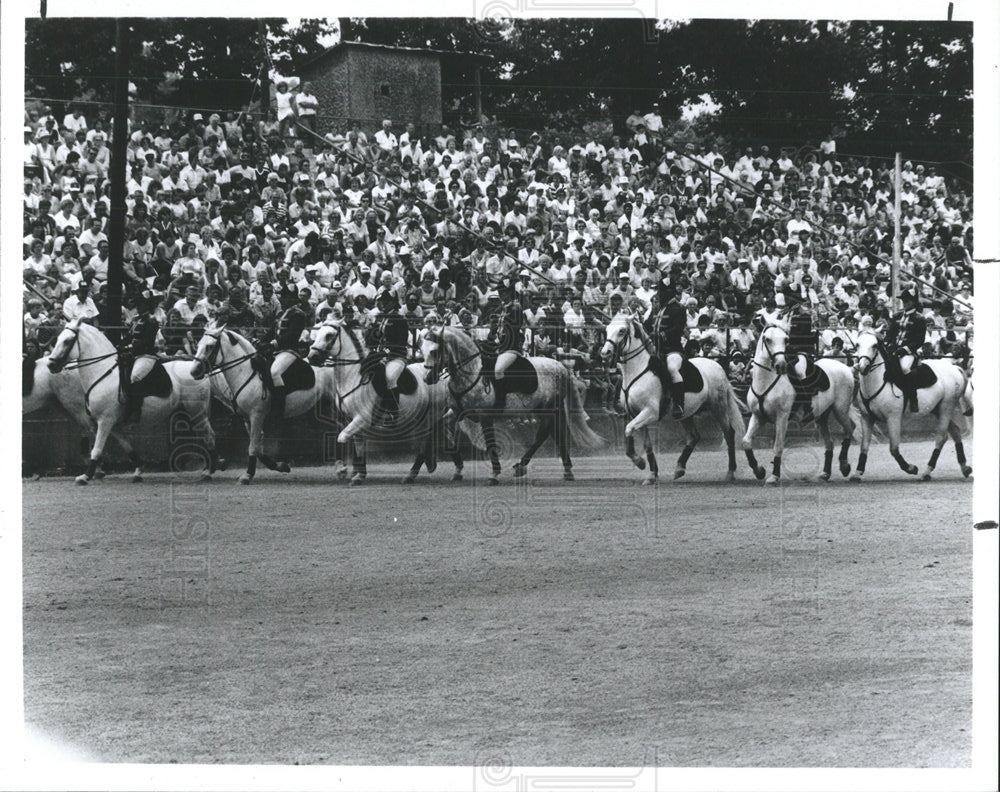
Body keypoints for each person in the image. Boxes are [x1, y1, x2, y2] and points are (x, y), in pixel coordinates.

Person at [370, 287, 410, 425]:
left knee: (390, 378)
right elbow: (374, 336)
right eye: (382, 301)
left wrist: (386, 353)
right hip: (379, 354)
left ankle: (393, 412)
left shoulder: (400, 319)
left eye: (386, 301)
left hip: (397, 356)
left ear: (393, 303)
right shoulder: (379, 317)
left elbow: (401, 342)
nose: (383, 304)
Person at [647, 281, 687, 418]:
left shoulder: (680, 308)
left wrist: (662, 335)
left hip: (673, 349)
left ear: (668, 293)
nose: (658, 295)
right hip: (656, 349)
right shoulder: (657, 308)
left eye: (661, 292)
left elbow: (678, 329)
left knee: (672, 369)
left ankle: (678, 404)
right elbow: (647, 325)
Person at [886, 289, 928, 412]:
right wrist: (887, 344)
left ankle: (913, 398)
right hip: (894, 349)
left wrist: (905, 349)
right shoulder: (897, 316)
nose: (904, 303)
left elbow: (919, 340)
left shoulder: (920, 319)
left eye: (907, 300)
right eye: (903, 300)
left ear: (913, 302)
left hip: (908, 352)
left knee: (905, 368)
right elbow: (890, 334)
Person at [123, 289, 161, 424]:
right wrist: (121, 345)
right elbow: (129, 336)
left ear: (147, 305)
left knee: (135, 376)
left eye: (142, 304)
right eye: (138, 304)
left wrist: (131, 347)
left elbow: (147, 341)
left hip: (146, 355)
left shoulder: (151, 321)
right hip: (134, 354)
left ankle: (135, 410)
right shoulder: (135, 320)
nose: (139, 307)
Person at [488, 283, 526, 412]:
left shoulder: (515, 307)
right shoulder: (503, 308)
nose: (501, 295)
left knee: (498, 370)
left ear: (509, 293)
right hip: (500, 347)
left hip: (511, 347)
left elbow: (515, 328)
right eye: (499, 293)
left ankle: (501, 401)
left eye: (504, 292)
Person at [268, 301, 309, 421]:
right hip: (276, 351)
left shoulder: (298, 314)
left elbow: (293, 334)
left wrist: (275, 344)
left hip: (289, 351)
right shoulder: (281, 313)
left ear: (292, 298)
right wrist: (261, 341)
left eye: (285, 296)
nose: (282, 298)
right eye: (281, 296)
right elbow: (273, 331)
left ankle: (279, 409)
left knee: (275, 372)